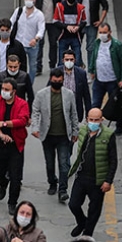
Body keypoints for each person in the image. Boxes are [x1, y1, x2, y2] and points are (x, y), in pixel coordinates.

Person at [67, 108, 117, 237]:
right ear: (87, 119)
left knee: (94, 209)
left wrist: (108, 180)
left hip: (98, 179)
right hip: (82, 175)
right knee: (73, 204)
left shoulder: (109, 135)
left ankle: (87, 234)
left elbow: (113, 160)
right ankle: (82, 222)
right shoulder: (83, 130)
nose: (93, 122)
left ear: (101, 120)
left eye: (96, 120)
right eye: (91, 120)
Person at [32, 69, 79, 203]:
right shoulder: (42, 95)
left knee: (64, 164)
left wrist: (75, 131)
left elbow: (73, 114)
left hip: (64, 136)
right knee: (50, 163)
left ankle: (62, 190)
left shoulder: (69, 95)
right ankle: (52, 182)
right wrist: (35, 128)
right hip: (47, 136)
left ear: (63, 80)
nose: (57, 83)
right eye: (54, 81)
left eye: (59, 81)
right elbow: (35, 112)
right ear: (51, 80)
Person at [0, 78, 31, 215]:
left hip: (15, 145)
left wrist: (4, 124)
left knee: (16, 176)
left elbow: (22, 120)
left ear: (14, 91)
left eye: (7, 90)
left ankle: (12, 202)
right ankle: (3, 183)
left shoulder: (22, 104)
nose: (4, 92)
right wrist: (1, 134)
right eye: (3, 89)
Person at [88, 23, 122, 134]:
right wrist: (91, 70)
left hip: (113, 81)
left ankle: (120, 125)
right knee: (95, 104)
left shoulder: (117, 45)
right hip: (99, 80)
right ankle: (94, 126)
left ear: (110, 32)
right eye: (100, 33)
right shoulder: (97, 43)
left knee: (116, 105)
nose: (102, 35)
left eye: (104, 32)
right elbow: (94, 57)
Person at [74, 0, 108, 65]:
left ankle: (90, 70)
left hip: (92, 24)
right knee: (76, 47)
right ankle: (80, 65)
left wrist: (100, 21)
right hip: (79, 24)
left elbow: (105, 6)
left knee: (91, 48)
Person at [34, 0, 66, 72]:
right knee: (39, 44)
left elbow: (64, 2)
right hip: (40, 21)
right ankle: (38, 66)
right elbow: (34, 2)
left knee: (53, 44)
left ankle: (52, 65)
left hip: (53, 20)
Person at [10, 0, 46, 82]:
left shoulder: (39, 15)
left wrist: (36, 38)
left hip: (32, 45)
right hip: (18, 44)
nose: (28, 0)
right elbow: (11, 23)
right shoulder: (19, 11)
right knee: (17, 65)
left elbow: (41, 29)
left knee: (33, 67)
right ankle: (18, 84)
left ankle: (29, 84)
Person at [0, 18, 28, 84]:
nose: (4, 32)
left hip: (14, 77)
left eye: (7, 30)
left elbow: (23, 63)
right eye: (2, 30)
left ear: (10, 30)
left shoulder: (17, 46)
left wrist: (22, 78)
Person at [54, 0, 86, 67]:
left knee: (77, 60)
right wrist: (66, 26)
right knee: (61, 61)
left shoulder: (80, 8)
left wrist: (78, 27)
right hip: (63, 36)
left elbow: (84, 21)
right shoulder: (60, 6)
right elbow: (55, 21)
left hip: (75, 36)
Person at [55, 49, 91, 122]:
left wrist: (88, 114)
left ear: (75, 60)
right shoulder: (56, 72)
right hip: (60, 108)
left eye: (71, 59)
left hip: (75, 109)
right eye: (67, 59)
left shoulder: (81, 73)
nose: (69, 61)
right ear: (63, 60)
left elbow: (86, 95)